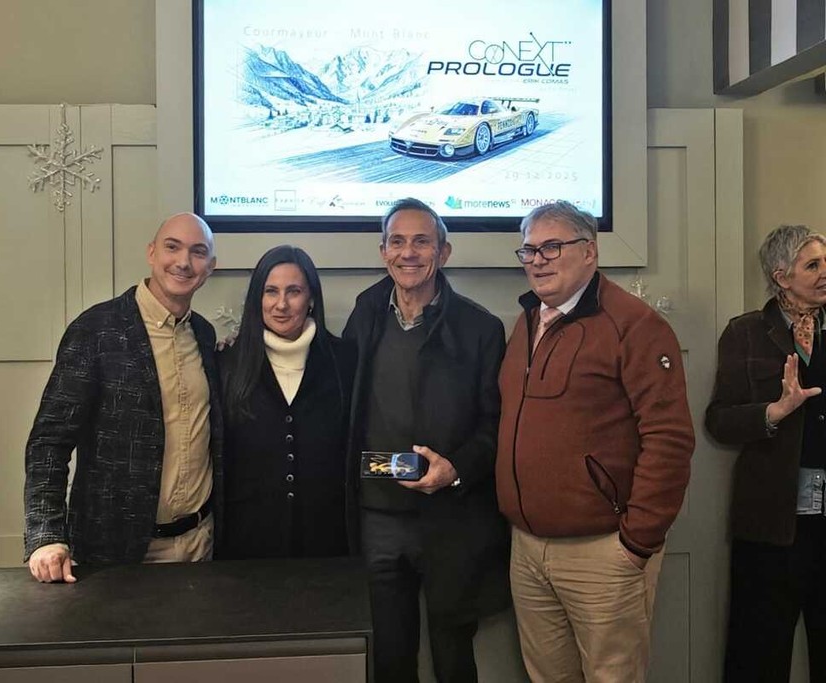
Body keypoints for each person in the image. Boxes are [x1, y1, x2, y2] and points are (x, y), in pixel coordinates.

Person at [496, 200, 694, 682]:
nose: (538, 260)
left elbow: (669, 439)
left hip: (603, 552)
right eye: (529, 250)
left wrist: (636, 542)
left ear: (590, 251)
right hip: (528, 549)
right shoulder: (527, 321)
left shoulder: (635, 325)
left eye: (552, 247)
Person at [344, 197, 509, 683]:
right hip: (378, 518)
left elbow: (496, 424)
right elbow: (334, 386)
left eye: (422, 241)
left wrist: (456, 468)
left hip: (451, 521)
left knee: (453, 658)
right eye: (397, 241)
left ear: (444, 251)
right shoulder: (365, 313)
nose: (408, 252)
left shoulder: (481, 329)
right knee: (389, 658)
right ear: (383, 251)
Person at [23, 212, 221, 582]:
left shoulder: (205, 336)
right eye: (172, 247)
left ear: (210, 267)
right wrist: (46, 534)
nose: (183, 261)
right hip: (113, 551)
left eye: (197, 252)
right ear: (151, 253)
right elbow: (49, 440)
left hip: (199, 545)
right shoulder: (96, 330)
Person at [706, 224, 826, 682]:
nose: (824, 273)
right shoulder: (745, 333)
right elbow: (719, 420)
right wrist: (773, 412)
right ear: (781, 276)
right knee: (757, 656)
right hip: (771, 523)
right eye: (812, 265)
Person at [217, 245, 356, 559]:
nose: (281, 304)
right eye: (271, 291)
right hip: (246, 545)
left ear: (311, 299)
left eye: (294, 291)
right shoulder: (226, 363)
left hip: (328, 543)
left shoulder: (346, 361)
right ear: (258, 299)